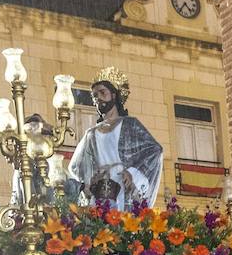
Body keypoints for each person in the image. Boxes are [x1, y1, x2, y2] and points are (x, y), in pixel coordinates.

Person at [67, 68, 164, 210]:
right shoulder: (91, 134)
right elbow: (76, 167)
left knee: (124, 223)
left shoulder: (130, 124)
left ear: (114, 95)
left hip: (123, 186)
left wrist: (132, 173)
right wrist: (89, 181)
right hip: (101, 189)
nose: (98, 98)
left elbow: (154, 150)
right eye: (94, 96)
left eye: (102, 92)